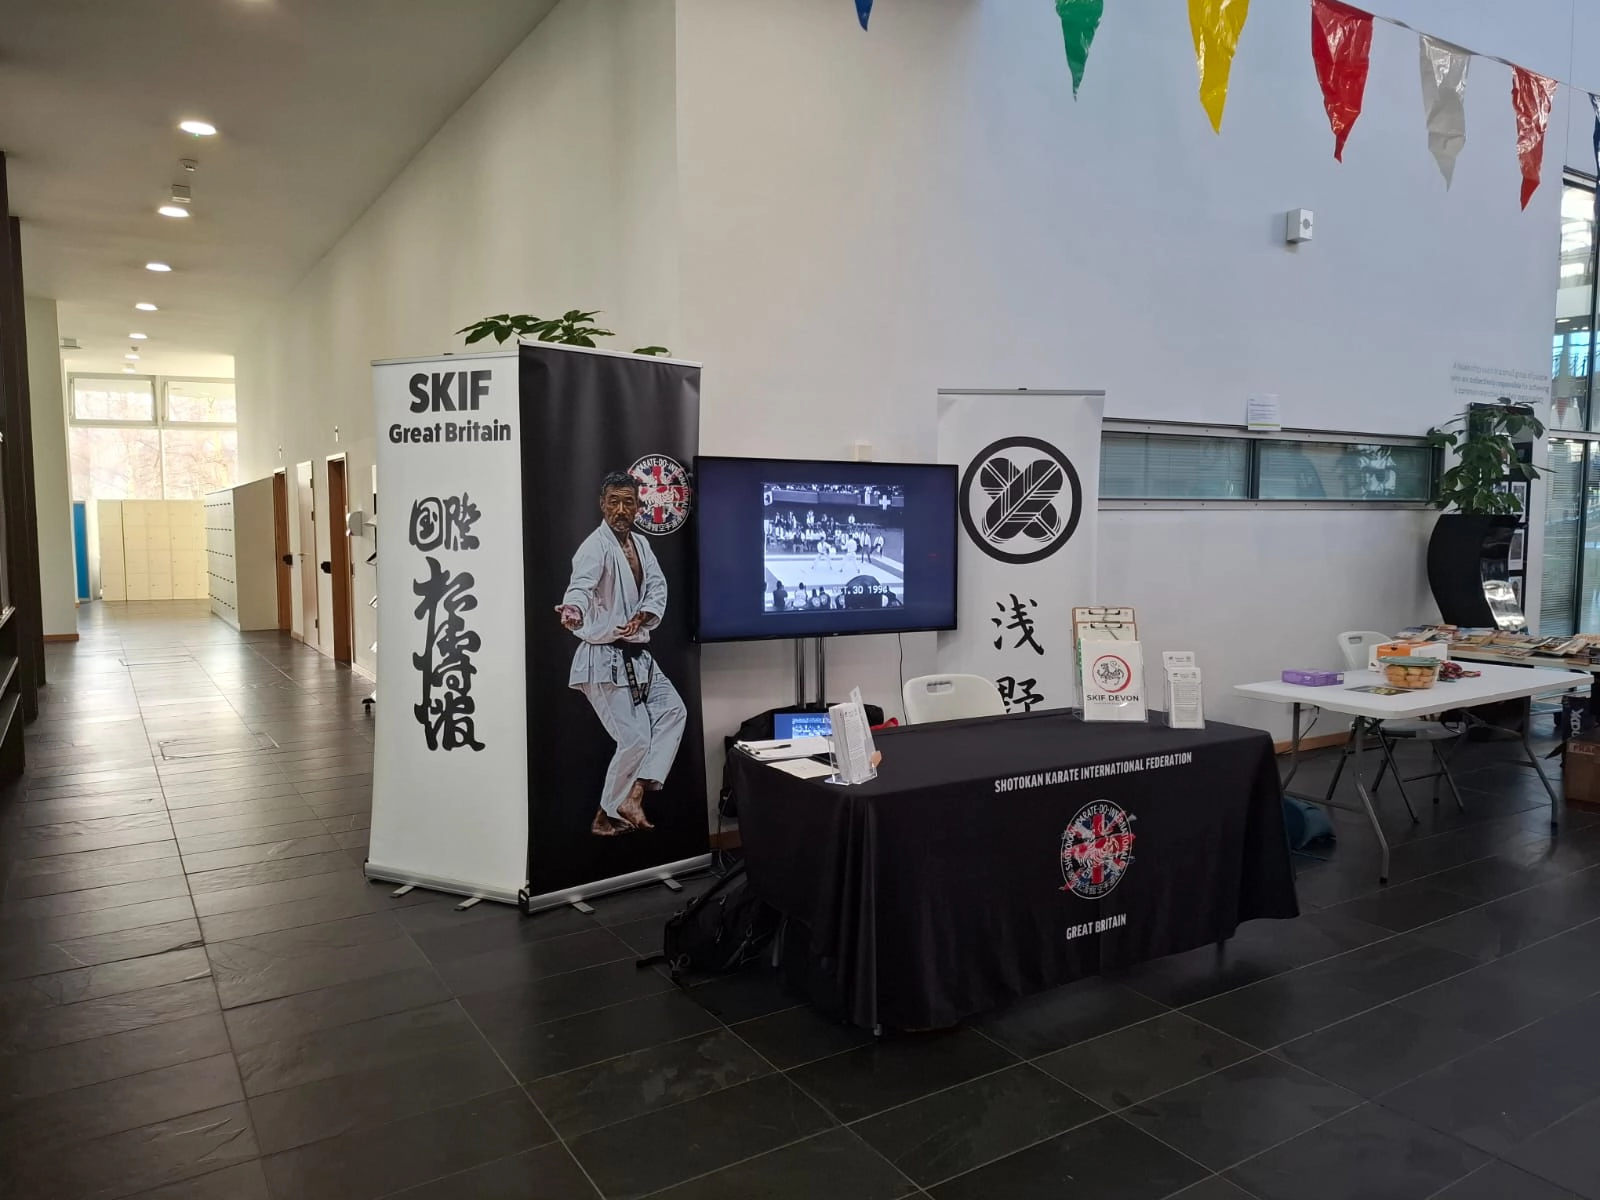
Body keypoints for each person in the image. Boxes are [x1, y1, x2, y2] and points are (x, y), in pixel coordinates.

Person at [556, 471, 687, 837]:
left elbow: (657, 587)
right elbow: (580, 586)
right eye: (613, 502)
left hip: (638, 655)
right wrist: (573, 610)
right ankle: (603, 815)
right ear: (602, 504)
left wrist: (642, 616)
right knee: (635, 739)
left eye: (628, 502)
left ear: (638, 507)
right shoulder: (594, 547)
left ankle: (635, 794)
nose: (620, 509)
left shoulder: (641, 545)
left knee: (674, 711)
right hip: (602, 659)